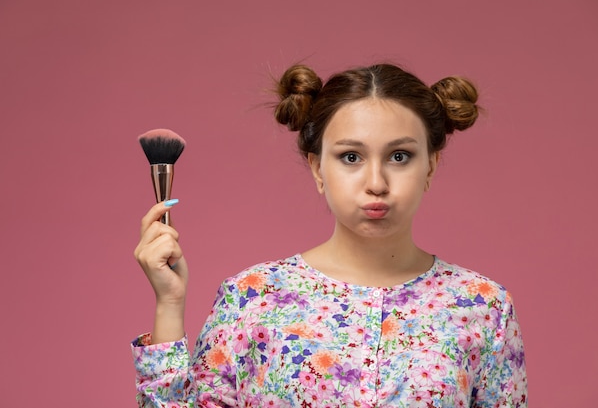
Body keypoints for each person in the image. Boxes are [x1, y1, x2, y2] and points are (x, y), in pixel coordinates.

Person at [132, 63, 527, 407]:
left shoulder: (481, 306)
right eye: (351, 157)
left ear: (431, 165)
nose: (376, 182)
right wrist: (169, 302)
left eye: (400, 156)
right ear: (318, 168)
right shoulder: (252, 297)